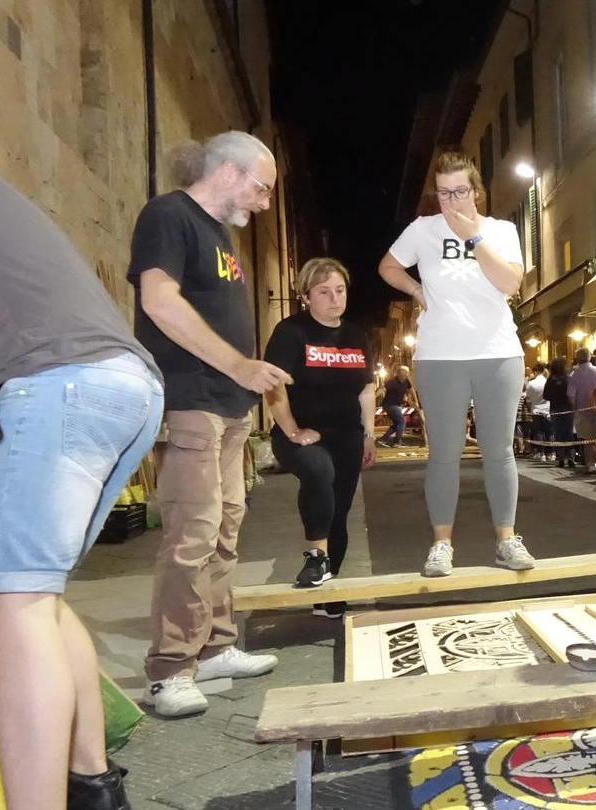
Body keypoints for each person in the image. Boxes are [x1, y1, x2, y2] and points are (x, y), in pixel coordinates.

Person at [0, 145, 164, 809]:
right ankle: (94, 788)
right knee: (37, 602)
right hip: (119, 388)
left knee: (7, 613)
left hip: (61, 386)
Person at [130, 132, 286, 718]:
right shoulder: (169, 215)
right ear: (228, 170)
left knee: (224, 528)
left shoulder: (221, 237)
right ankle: (170, 668)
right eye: (261, 187)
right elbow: (160, 301)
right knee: (192, 533)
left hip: (229, 404)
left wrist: (245, 380)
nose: (265, 202)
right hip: (191, 398)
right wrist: (239, 364)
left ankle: (215, 644)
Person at [378, 151, 534, 578]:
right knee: (443, 454)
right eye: (443, 193)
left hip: (498, 351)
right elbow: (388, 266)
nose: (451, 201)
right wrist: (414, 289)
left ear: (476, 191)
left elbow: (509, 283)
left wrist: (473, 238)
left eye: (459, 191)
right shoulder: (422, 230)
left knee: (498, 450)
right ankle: (441, 544)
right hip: (440, 355)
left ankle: (507, 539)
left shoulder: (501, 231)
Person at [262, 258, 377, 618]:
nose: (334, 298)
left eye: (339, 290)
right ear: (306, 296)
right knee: (318, 473)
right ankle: (316, 557)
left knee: (340, 511)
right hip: (300, 433)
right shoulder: (291, 331)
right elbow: (273, 384)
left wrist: (370, 434)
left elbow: (366, 389)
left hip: (347, 434)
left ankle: (329, 590)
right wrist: (291, 428)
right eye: (324, 292)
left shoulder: (356, 336)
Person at [569, 348, 596, 470]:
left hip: (582, 412)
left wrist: (574, 409)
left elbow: (571, 396)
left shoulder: (574, 374)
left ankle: (590, 464)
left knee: (587, 441)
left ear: (578, 359)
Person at [545, 357, 576, 468]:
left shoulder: (550, 380)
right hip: (568, 409)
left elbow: (546, 395)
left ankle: (561, 458)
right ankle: (571, 457)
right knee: (568, 433)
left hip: (555, 409)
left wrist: (554, 397)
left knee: (558, 434)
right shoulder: (568, 379)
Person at [377, 365, 413, 447]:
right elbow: (383, 389)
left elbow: (411, 389)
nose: (403, 377)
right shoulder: (392, 382)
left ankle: (383, 439)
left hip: (396, 405)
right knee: (402, 421)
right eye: (402, 375)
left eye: (405, 375)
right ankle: (397, 441)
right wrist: (373, 396)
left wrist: (416, 401)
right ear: (398, 374)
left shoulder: (406, 381)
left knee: (397, 423)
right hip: (389, 405)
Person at [524, 362, 553, 461]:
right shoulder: (547, 382)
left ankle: (542, 453)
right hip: (548, 409)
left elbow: (528, 399)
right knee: (549, 432)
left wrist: (530, 407)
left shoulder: (531, 383)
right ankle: (551, 453)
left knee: (539, 432)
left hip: (536, 410)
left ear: (535, 372)